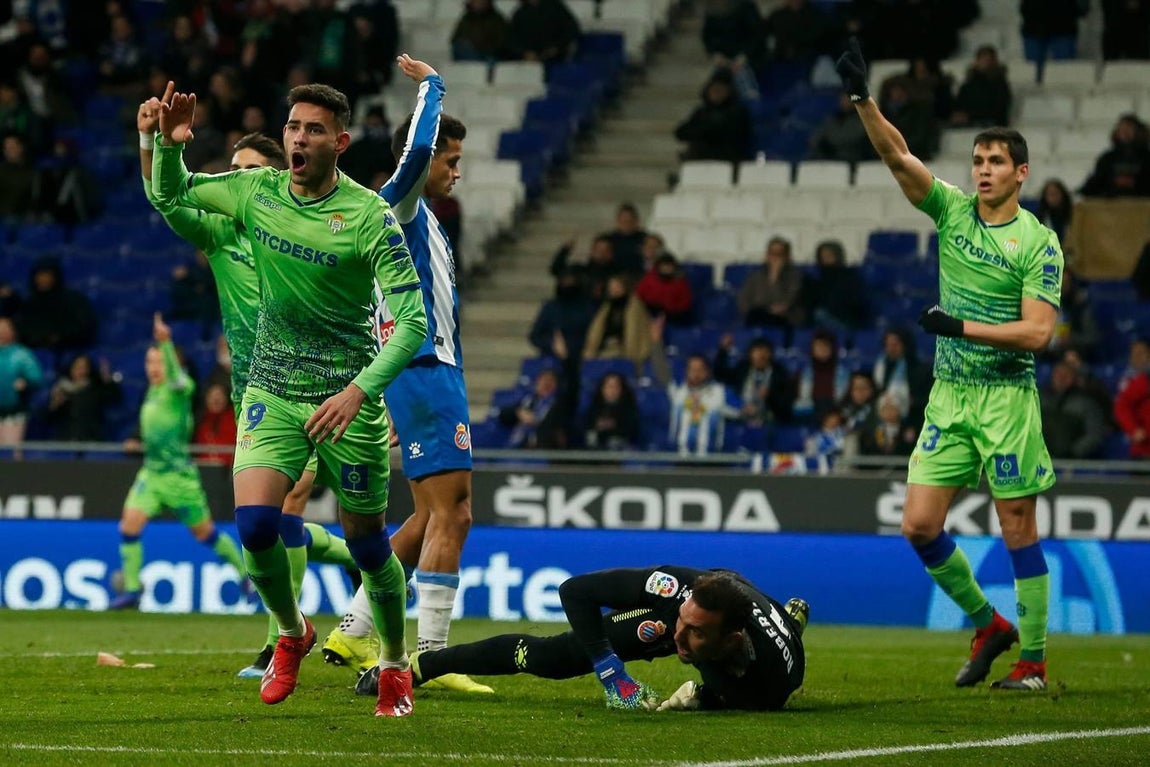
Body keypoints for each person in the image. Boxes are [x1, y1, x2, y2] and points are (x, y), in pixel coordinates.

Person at [154, 78, 428, 716]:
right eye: (293, 127)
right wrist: (168, 145)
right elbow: (170, 193)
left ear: (340, 140)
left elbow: (413, 323)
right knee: (254, 526)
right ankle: (291, 632)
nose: (299, 138)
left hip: (345, 398)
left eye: (313, 130)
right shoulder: (256, 192)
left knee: (366, 544)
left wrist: (361, 393)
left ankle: (392, 661)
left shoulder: (368, 216)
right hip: (272, 389)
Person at [837, 38, 1063, 691]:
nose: (983, 170)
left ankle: (1035, 660)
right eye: (977, 160)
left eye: (996, 161)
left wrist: (959, 325)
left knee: (1016, 522)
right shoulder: (952, 211)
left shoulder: (1037, 243)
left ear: (1022, 172)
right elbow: (894, 153)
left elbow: (1038, 333)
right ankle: (988, 622)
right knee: (918, 524)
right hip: (950, 395)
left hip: (1006, 396)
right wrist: (862, 99)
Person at [137, 102, 359, 681]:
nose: (232, 180)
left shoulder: (309, 230)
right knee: (273, 517)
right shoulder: (216, 233)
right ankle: (346, 565)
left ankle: (282, 639)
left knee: (293, 508)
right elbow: (166, 196)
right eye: (230, 170)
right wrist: (153, 141)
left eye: (246, 169)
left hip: (325, 384)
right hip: (257, 389)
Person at [322, 55, 491, 696]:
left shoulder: (428, 224)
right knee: (457, 515)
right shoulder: (400, 207)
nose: (455, 170)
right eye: (451, 160)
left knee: (425, 520)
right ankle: (431, 659)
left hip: (424, 371)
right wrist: (433, 87)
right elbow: (417, 156)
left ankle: (353, 627)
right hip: (425, 370)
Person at [355, 566, 808, 712]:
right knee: (550, 657)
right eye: (682, 626)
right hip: (723, 593)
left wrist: (698, 696)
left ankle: (790, 619)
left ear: (732, 639)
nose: (679, 637)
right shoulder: (675, 597)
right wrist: (609, 667)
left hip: (756, 629)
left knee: (732, 688)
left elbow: (736, 687)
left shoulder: (770, 683)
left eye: (695, 633)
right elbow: (576, 591)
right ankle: (416, 667)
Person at [110, 314, 249, 611]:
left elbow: (176, 378)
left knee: (204, 533)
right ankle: (133, 591)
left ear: (170, 362)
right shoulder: (153, 391)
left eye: (158, 362)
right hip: (152, 473)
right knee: (129, 526)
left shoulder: (179, 387)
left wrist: (166, 342)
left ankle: (245, 574)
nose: (153, 368)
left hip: (179, 477)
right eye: (149, 362)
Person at [14, 256, 98, 351]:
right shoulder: (29, 303)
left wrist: (60, 337)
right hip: (34, 352)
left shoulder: (73, 300)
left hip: (70, 350)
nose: (43, 279)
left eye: (47, 275)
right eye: (39, 275)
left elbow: (85, 327)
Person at [673, 68, 752, 164]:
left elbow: (727, 134)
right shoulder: (702, 111)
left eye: (720, 89)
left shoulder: (737, 111)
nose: (716, 93)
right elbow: (681, 132)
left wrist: (703, 130)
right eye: (714, 89)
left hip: (725, 160)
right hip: (700, 158)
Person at [712, 334, 795, 425]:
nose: (761, 356)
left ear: (770, 354)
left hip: (769, 422)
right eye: (757, 352)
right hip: (741, 418)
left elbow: (786, 406)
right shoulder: (743, 369)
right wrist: (723, 351)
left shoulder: (779, 374)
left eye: (765, 352)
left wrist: (770, 396)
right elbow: (719, 375)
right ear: (750, 354)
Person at [668, 354, 739, 456]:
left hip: (711, 457)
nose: (696, 374)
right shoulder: (679, 393)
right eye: (692, 370)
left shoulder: (720, 391)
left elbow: (740, 411)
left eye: (700, 370)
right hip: (680, 457)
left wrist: (721, 409)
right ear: (686, 372)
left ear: (708, 371)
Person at [581, 274, 652, 370]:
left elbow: (641, 334)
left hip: (626, 352)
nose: (614, 290)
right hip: (605, 351)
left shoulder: (635, 307)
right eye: (611, 287)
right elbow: (595, 332)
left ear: (625, 287)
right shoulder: (606, 307)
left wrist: (639, 356)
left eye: (617, 286)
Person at [1040, 360, 1108, 460]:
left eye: (1065, 375)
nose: (1060, 378)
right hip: (1040, 459)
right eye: (1057, 374)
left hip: (1074, 463)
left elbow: (1094, 434)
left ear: (1074, 378)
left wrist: (1073, 452)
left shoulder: (1086, 403)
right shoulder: (1040, 399)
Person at [736, 236, 804, 332]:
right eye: (772, 253)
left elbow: (787, 301)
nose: (775, 258)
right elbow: (744, 301)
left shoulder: (795, 277)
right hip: (758, 316)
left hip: (784, 319)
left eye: (779, 254)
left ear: (786, 256)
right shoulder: (755, 276)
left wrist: (775, 277)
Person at [48, 353, 121, 442]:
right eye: (77, 367)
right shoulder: (60, 389)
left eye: (84, 367)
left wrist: (107, 379)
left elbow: (114, 397)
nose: (80, 371)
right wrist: (55, 404)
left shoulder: (94, 389)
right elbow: (46, 417)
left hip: (90, 441)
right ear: (71, 368)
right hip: (65, 442)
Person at [802, 240, 868, 333]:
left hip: (843, 320)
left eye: (829, 256)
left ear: (837, 256)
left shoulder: (848, 276)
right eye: (822, 256)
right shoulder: (816, 277)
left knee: (819, 314)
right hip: (820, 318)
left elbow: (854, 303)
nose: (825, 259)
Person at [1079, 113, 1150, 198]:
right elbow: (1096, 182)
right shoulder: (1108, 158)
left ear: (1138, 131)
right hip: (1111, 207)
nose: (1125, 131)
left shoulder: (1147, 158)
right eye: (1121, 128)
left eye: (1129, 128)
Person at [499, 366, 570, 448]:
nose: (546, 384)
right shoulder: (528, 400)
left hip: (541, 447)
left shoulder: (559, 404)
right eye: (543, 380)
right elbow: (503, 414)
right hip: (519, 444)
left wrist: (535, 421)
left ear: (556, 385)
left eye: (550, 381)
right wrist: (518, 413)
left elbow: (555, 427)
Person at [0, 316, 42, 447]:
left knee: (9, 453)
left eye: (6, 328)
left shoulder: (22, 354)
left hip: (13, 413)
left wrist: (26, 382)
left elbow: (37, 379)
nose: (2, 332)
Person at [951, 45, 1011, 128]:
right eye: (983, 59)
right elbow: (959, 104)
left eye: (989, 60)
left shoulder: (1000, 84)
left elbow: (999, 109)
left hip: (992, 124)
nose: (986, 63)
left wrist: (970, 115)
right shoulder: (968, 85)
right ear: (977, 61)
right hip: (969, 123)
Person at [583, 371, 640, 450]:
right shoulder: (593, 408)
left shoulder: (629, 409)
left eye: (616, 387)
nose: (612, 390)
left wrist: (612, 426)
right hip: (596, 451)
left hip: (620, 451)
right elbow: (588, 428)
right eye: (609, 386)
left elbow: (630, 431)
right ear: (602, 389)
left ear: (621, 389)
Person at [1113, 338, 1150, 459]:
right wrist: (1133, 430)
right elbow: (1121, 405)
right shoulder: (1145, 380)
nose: (1136, 357)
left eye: (1141, 353)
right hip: (1145, 451)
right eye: (1134, 354)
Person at [635, 253, 694, 326]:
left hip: (672, 316)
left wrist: (670, 309)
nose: (666, 268)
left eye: (669, 266)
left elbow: (685, 302)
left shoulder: (680, 282)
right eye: (663, 265)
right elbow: (638, 294)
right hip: (649, 312)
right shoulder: (649, 278)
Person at [1035, 179, 1072, 244]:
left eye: (1056, 194)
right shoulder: (1040, 217)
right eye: (1050, 194)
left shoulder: (1072, 214)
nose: (1053, 198)